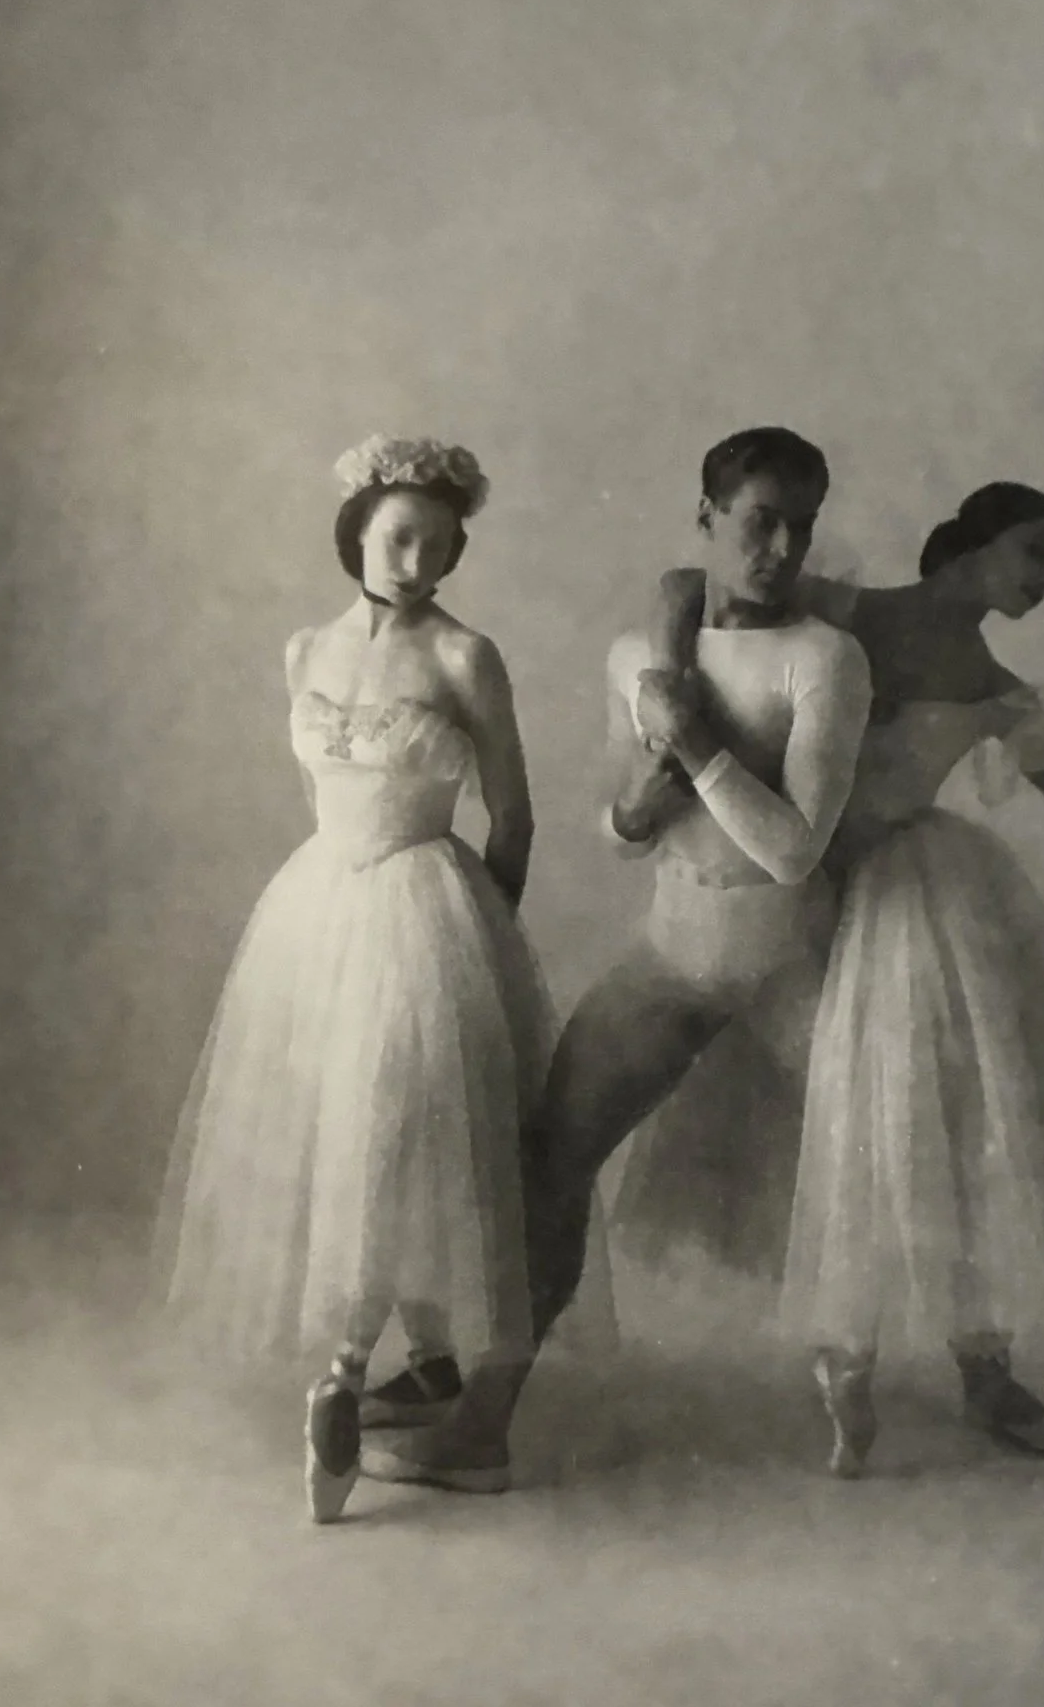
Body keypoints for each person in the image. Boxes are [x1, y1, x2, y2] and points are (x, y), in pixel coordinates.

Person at [638, 482, 1044, 1475]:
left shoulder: (1001, 692)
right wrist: (667, 686)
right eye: (1035, 554)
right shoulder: (840, 609)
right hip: (790, 894)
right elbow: (686, 581)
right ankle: (843, 1348)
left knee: (954, 1113)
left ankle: (984, 1371)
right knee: (838, 1122)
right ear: (972, 546)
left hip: (912, 900)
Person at [373, 426, 873, 1491]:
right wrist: (644, 789)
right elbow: (616, 829)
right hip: (680, 950)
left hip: (797, 955)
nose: (779, 547)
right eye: (756, 522)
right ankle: (483, 1423)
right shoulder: (640, 655)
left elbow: (793, 851)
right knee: (551, 1155)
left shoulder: (827, 658)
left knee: (879, 1153)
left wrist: (693, 742)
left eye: (800, 526)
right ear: (706, 520)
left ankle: (958, 1376)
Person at [157, 434, 613, 1522]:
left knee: (401, 1121)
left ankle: (346, 1373)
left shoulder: (466, 658)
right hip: (320, 907)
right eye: (398, 536)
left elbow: (516, 813)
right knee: (340, 1126)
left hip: (428, 903)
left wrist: (481, 944)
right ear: (357, 530)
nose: (415, 560)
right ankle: (426, 1362)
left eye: (438, 545)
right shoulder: (303, 648)